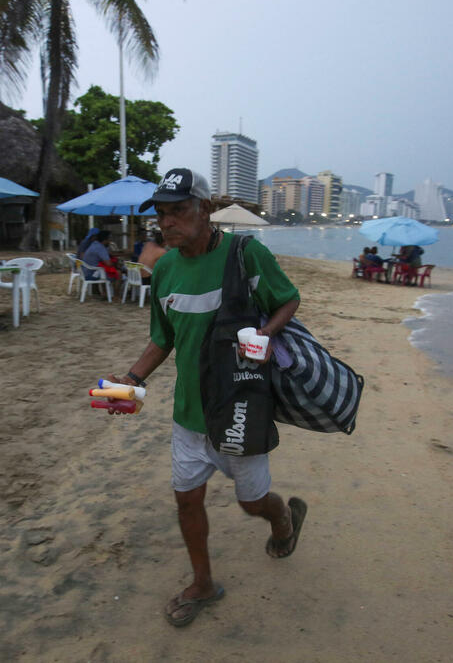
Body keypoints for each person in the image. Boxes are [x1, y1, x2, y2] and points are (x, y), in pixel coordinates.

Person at [107, 168, 307, 628]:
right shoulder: (165, 271)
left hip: (240, 408)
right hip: (188, 415)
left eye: (179, 210)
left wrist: (264, 333)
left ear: (206, 208)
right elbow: (163, 339)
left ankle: (282, 520)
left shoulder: (246, 254)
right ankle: (203, 582)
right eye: (161, 214)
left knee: (251, 503)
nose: (168, 222)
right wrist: (131, 381)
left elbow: (288, 299)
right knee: (187, 500)